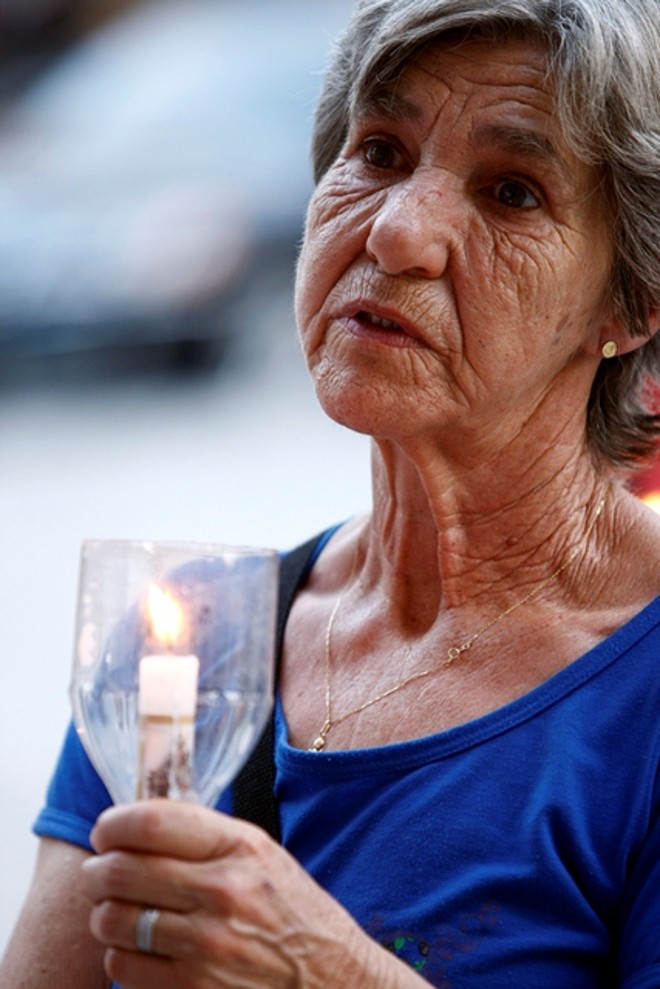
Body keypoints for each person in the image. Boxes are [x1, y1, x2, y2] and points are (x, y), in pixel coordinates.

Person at [2, 0, 659, 985]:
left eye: (511, 192)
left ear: (634, 302)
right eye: (380, 153)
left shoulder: (635, 689)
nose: (398, 233)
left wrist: (323, 971)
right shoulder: (191, 645)